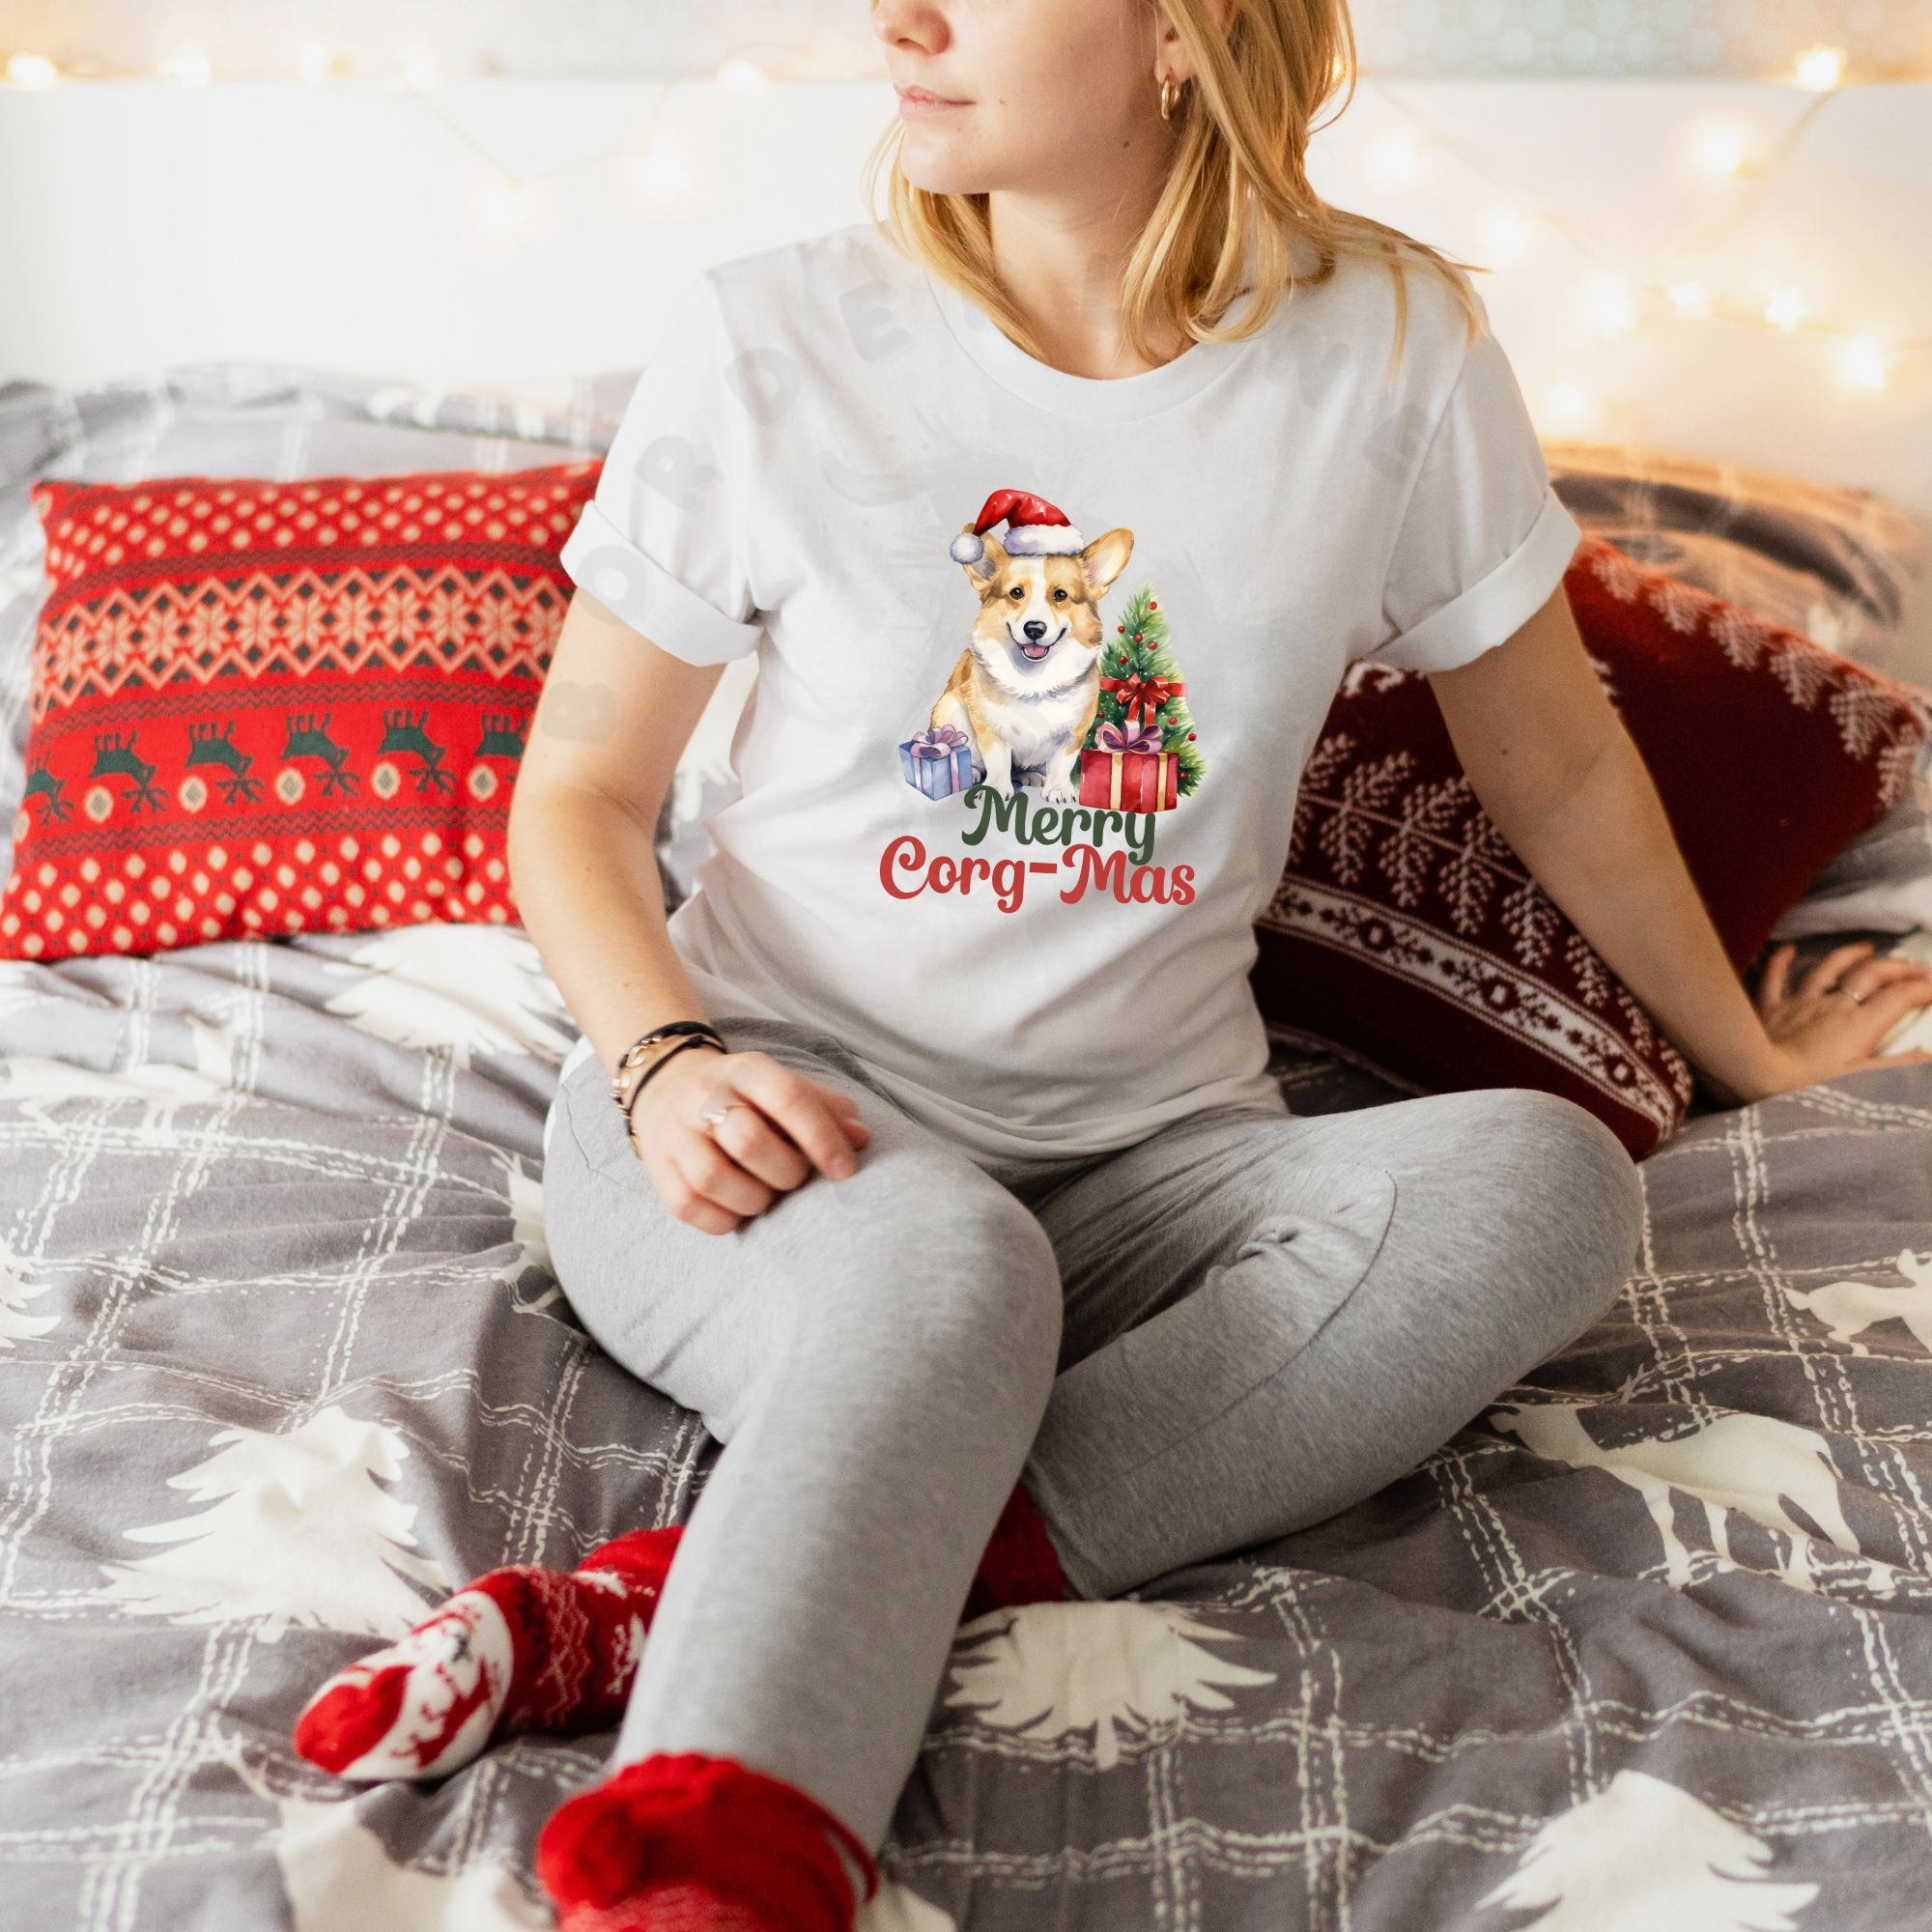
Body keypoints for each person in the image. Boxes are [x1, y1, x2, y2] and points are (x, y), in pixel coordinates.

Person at [286, 2, 1932, 1927]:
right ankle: (719, 1864)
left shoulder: (1387, 352)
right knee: (952, 1271)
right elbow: (574, 790)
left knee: (1547, 1183)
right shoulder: (775, 338)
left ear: (1179, 33)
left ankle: (663, 1603)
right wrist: (662, 1061)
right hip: (762, 1123)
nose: (898, 20)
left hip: (1160, 1155)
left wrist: (1744, 1050)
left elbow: (1555, 760)